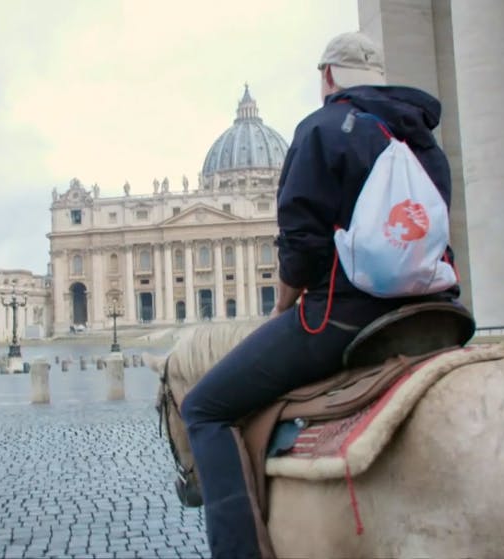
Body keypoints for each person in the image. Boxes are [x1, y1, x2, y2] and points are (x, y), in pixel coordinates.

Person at [179, 31, 465, 558]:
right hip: (433, 311)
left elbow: (302, 246)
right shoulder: (426, 142)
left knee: (204, 408)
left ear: (328, 77)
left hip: (344, 317)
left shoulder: (323, 129)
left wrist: (284, 306)